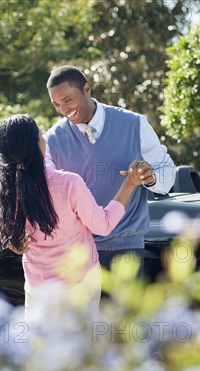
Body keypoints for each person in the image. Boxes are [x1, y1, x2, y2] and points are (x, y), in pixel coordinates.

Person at [0, 114, 145, 318]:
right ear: (37, 144)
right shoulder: (69, 183)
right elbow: (103, 225)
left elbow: (12, 241)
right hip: (80, 285)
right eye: (40, 136)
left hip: (38, 288)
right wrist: (129, 184)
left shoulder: (4, 191)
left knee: (41, 347)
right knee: (80, 347)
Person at [44, 65, 176, 273]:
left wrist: (150, 178)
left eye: (67, 100)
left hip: (126, 250)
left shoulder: (135, 124)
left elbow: (167, 173)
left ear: (86, 89)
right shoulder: (52, 140)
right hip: (76, 255)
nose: (63, 110)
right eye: (56, 105)